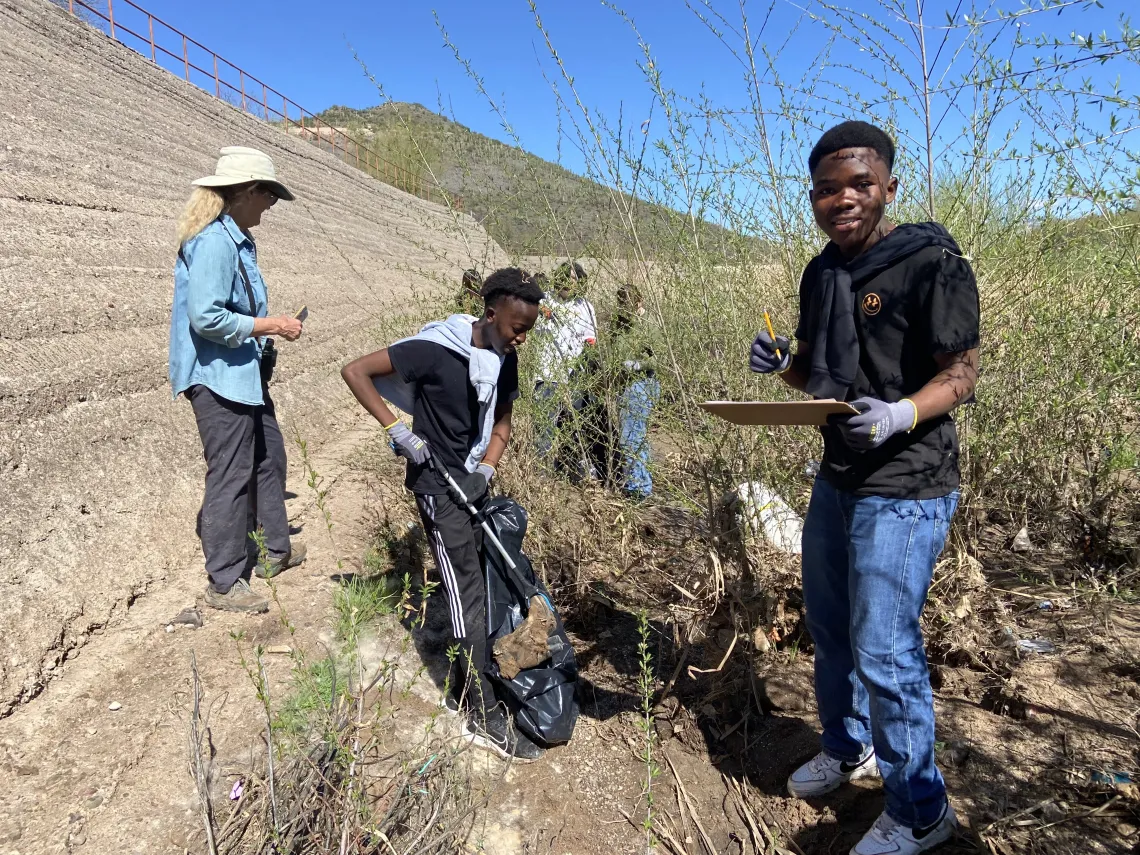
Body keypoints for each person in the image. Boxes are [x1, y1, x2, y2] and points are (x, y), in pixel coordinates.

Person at [749, 121, 980, 855]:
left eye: (858, 183)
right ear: (811, 197)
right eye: (826, 188)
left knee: (885, 647)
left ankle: (921, 810)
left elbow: (963, 373)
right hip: (839, 476)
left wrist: (903, 412)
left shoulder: (930, 262)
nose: (842, 198)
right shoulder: (822, 273)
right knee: (831, 627)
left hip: (907, 485)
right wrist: (781, 364)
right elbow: (817, 375)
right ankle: (850, 748)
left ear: (889, 186)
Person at [340, 268, 545, 761]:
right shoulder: (436, 350)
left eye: (529, 330)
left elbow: (503, 424)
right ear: (491, 313)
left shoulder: (503, 360)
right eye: (517, 326)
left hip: (471, 482)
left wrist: (488, 470)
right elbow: (355, 371)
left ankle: (467, 670)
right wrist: (398, 431)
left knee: (479, 580)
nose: (521, 338)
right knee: (465, 595)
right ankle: (480, 711)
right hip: (438, 487)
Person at [169, 146, 308, 614]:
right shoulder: (212, 243)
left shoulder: (235, 239)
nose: (271, 205)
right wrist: (271, 326)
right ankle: (225, 582)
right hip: (217, 378)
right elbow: (206, 317)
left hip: (242, 374)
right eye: (268, 195)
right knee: (230, 473)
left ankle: (273, 551)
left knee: (269, 457)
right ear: (249, 191)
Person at [532, 262, 599, 479]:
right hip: (547, 374)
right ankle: (541, 473)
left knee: (575, 424)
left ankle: (571, 468)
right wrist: (540, 310)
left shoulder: (586, 307)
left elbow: (591, 340)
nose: (569, 283)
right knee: (544, 425)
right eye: (566, 278)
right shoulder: (543, 301)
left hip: (575, 376)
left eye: (574, 279)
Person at [611, 284, 659, 499]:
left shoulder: (649, 325)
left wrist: (639, 364)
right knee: (635, 434)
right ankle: (641, 482)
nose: (625, 308)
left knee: (631, 436)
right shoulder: (619, 324)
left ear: (640, 302)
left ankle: (638, 488)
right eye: (622, 304)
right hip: (625, 383)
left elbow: (660, 359)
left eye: (629, 304)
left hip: (642, 384)